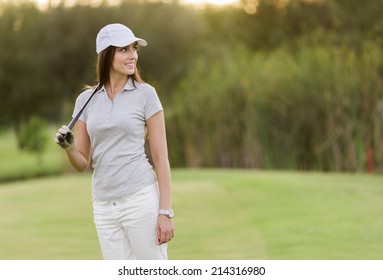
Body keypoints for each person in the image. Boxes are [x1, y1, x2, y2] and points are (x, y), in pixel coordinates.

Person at [54, 23, 174, 260]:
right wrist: (68, 147)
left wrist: (165, 212)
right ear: (107, 54)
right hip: (104, 206)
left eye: (134, 49)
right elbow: (82, 163)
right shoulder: (86, 100)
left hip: (140, 199)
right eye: (124, 50)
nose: (133, 56)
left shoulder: (146, 94)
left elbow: (161, 159)